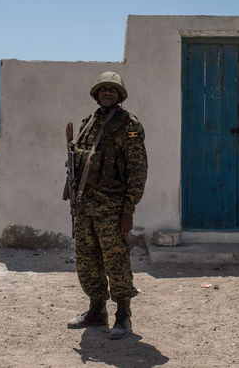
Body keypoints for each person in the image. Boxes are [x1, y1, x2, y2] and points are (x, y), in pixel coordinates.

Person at [64, 71, 148, 340]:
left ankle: (123, 315)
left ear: (120, 95)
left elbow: (137, 170)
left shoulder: (128, 125)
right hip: (85, 207)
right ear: (97, 94)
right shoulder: (89, 123)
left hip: (112, 210)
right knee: (88, 261)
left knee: (116, 262)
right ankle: (96, 309)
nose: (107, 93)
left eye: (112, 90)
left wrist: (128, 209)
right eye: (103, 89)